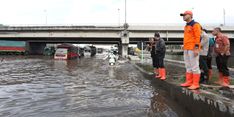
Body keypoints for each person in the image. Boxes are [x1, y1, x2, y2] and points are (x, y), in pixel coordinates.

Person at [180, 10, 202, 90]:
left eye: (185, 15)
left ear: (190, 15)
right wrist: (184, 45)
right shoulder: (186, 26)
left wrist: (196, 48)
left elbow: (198, 37)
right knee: (188, 66)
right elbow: (187, 38)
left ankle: (195, 84)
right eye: (183, 15)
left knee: (195, 66)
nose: (183, 16)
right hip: (186, 48)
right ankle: (189, 82)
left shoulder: (195, 24)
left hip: (193, 48)